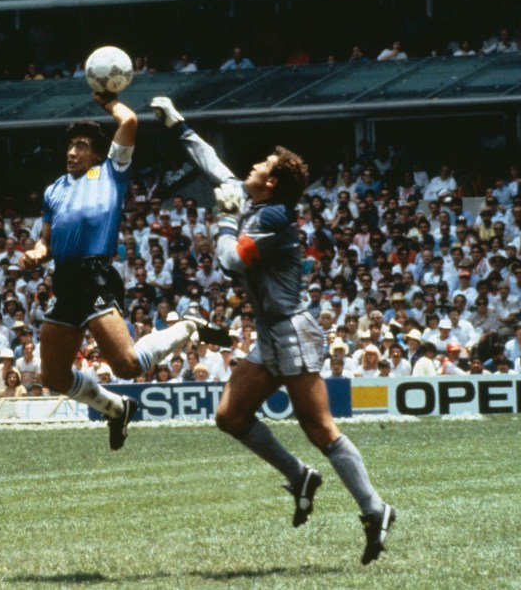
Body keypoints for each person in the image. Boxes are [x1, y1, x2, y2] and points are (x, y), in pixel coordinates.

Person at [149, 96, 395, 566]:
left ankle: (375, 509)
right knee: (230, 416)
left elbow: (227, 262)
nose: (253, 165)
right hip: (272, 334)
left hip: (293, 333)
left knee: (320, 429)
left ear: (273, 181)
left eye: (262, 164)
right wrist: (178, 124)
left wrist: (221, 219)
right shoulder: (255, 200)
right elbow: (214, 168)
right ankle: (301, 477)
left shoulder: (274, 216)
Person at [20, 92, 198, 450]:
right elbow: (46, 241)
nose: (72, 152)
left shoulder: (109, 172)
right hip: (66, 279)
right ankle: (115, 407)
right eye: (70, 145)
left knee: (127, 366)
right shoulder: (54, 189)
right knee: (53, 375)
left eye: (81, 146)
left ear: (98, 153)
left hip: (96, 273)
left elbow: (129, 121)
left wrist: (107, 101)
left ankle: (187, 327)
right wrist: (37, 254)